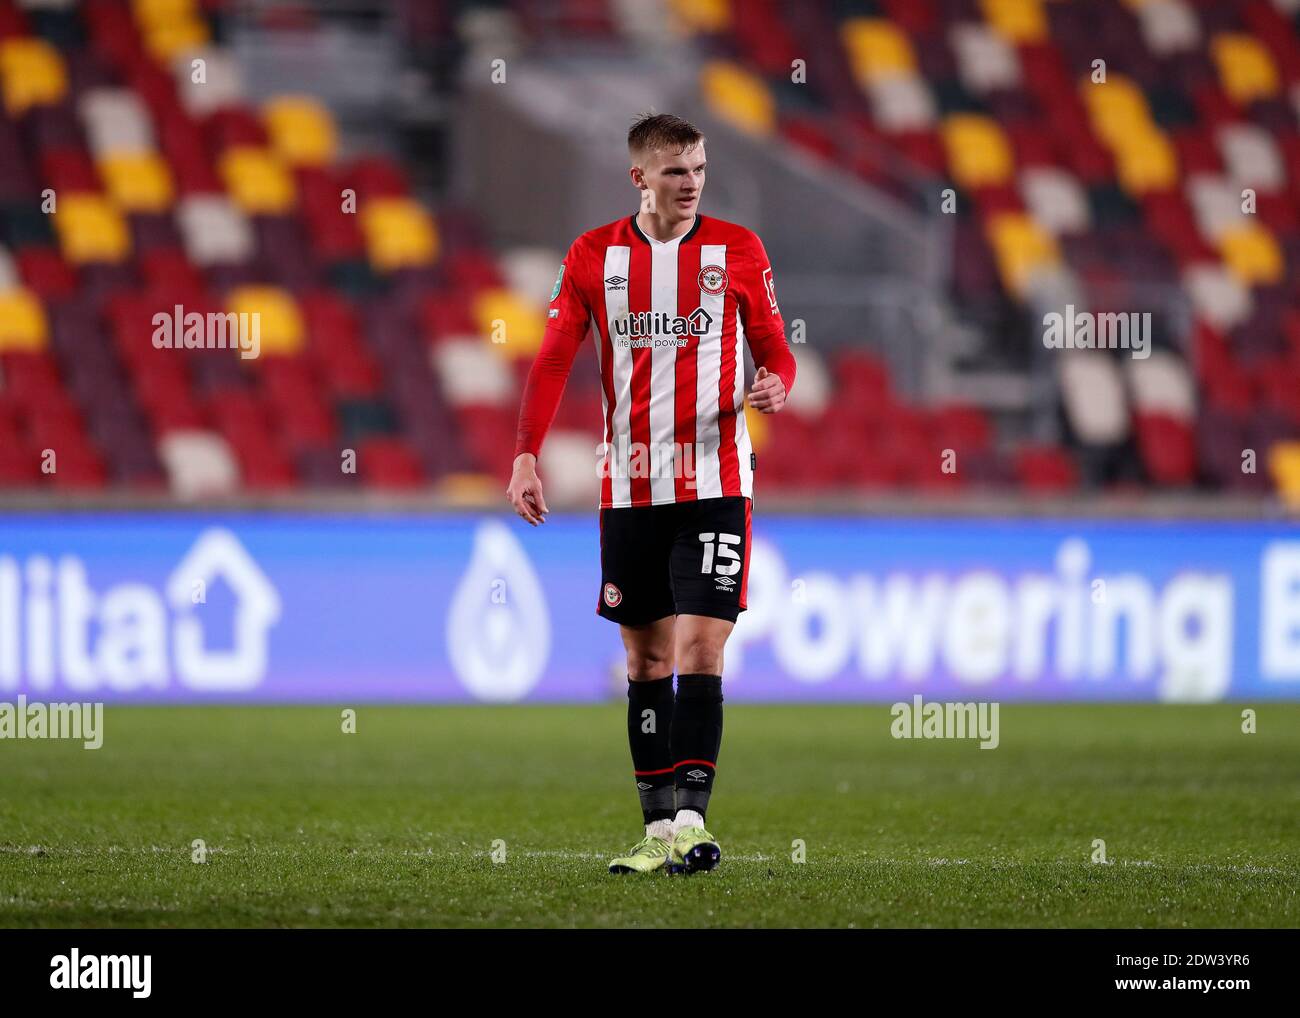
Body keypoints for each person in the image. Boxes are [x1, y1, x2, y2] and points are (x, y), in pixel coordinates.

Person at [506, 112, 796, 874]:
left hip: (717, 483)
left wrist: (776, 383)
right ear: (639, 177)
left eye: (699, 168)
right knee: (645, 664)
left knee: (703, 647)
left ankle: (695, 821)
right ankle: (657, 832)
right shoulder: (593, 256)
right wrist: (526, 456)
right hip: (629, 488)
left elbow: (776, 350)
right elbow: (552, 358)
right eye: (675, 171)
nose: (691, 183)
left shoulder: (738, 250)